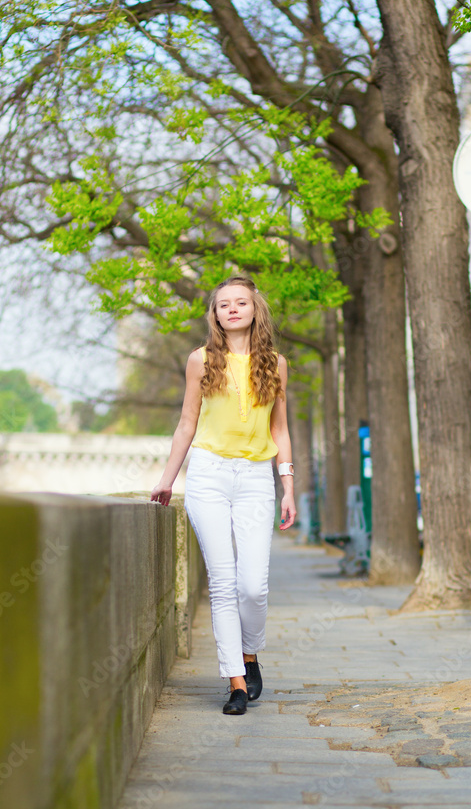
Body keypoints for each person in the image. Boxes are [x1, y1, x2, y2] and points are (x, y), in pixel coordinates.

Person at [150, 275, 296, 715]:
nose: (232, 309)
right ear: (214, 314)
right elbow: (187, 423)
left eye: (241, 302)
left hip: (255, 478)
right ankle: (235, 682)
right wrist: (167, 478)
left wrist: (288, 487)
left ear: (255, 310)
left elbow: (280, 430)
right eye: (224, 304)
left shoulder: (275, 364)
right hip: (208, 476)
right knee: (224, 581)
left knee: (253, 586)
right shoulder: (200, 360)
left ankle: (250, 654)